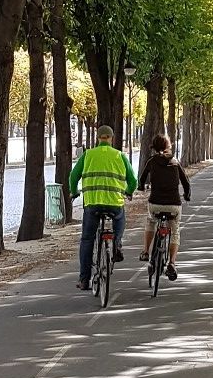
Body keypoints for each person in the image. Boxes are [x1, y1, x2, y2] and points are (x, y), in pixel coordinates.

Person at [68, 124, 137, 290]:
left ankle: (84, 279)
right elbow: (133, 181)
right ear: (111, 138)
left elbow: (73, 176)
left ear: (98, 138)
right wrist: (128, 192)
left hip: (92, 204)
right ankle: (117, 243)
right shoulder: (120, 156)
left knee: (87, 239)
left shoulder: (88, 155)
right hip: (114, 203)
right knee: (120, 217)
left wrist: (74, 192)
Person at [136, 132, 191, 280]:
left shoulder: (152, 161)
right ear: (168, 146)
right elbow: (186, 182)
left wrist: (141, 187)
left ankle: (146, 251)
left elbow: (141, 178)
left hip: (155, 204)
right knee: (175, 230)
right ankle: (172, 262)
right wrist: (187, 195)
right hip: (173, 204)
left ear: (154, 147)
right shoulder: (175, 162)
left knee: (151, 221)